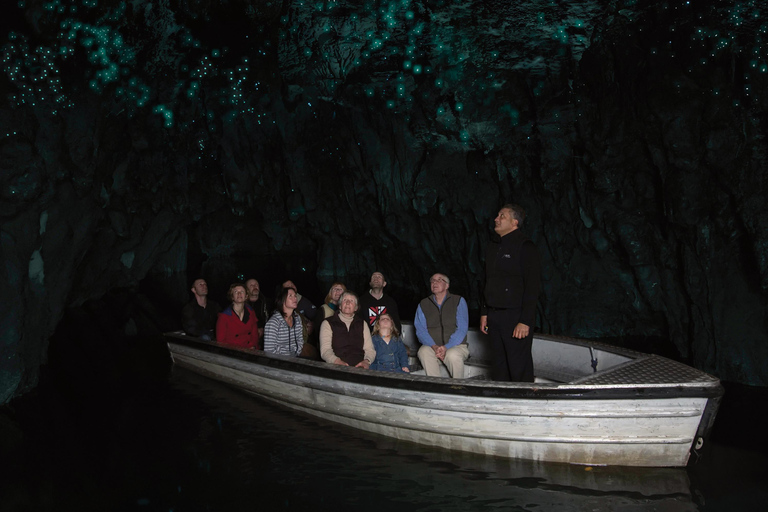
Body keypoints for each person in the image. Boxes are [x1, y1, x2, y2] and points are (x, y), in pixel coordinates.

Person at [479, 204, 541, 382]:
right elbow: (486, 282)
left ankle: (525, 403)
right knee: (498, 365)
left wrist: (525, 321)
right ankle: (502, 402)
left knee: (518, 365)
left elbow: (532, 287)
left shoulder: (526, 247)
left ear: (515, 222)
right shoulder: (493, 247)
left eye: (502, 216)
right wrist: (485, 312)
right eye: (497, 215)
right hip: (494, 315)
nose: (496, 219)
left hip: (515, 316)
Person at [415, 273, 470, 378]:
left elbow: (462, 329)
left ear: (447, 285)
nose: (435, 283)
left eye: (439, 280)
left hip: (456, 346)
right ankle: (435, 384)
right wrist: (434, 346)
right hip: (434, 347)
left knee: (452, 355)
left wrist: (446, 347)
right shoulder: (423, 304)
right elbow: (421, 330)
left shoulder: (458, 301)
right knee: (423, 351)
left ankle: (458, 387)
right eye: (432, 281)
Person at [320, 291, 375, 368]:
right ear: (340, 305)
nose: (348, 303)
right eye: (345, 300)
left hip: (359, 367)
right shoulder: (327, 323)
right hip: (335, 367)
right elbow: (325, 350)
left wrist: (366, 361)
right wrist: (337, 361)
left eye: (352, 301)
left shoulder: (362, 324)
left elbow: (369, 349)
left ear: (356, 307)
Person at [263, 287, 307, 357]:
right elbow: (269, 351)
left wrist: (297, 353)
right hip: (278, 362)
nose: (295, 298)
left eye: (295, 296)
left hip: (296, 359)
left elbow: (300, 340)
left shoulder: (297, 318)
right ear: (282, 300)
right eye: (290, 296)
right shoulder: (273, 322)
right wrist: (287, 357)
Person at [216, 283, 260, 349]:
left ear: (246, 296)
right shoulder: (224, 316)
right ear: (232, 297)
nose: (239, 294)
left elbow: (254, 335)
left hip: (249, 350)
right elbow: (220, 341)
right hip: (232, 352)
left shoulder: (251, 313)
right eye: (236, 292)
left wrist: (252, 347)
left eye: (242, 291)